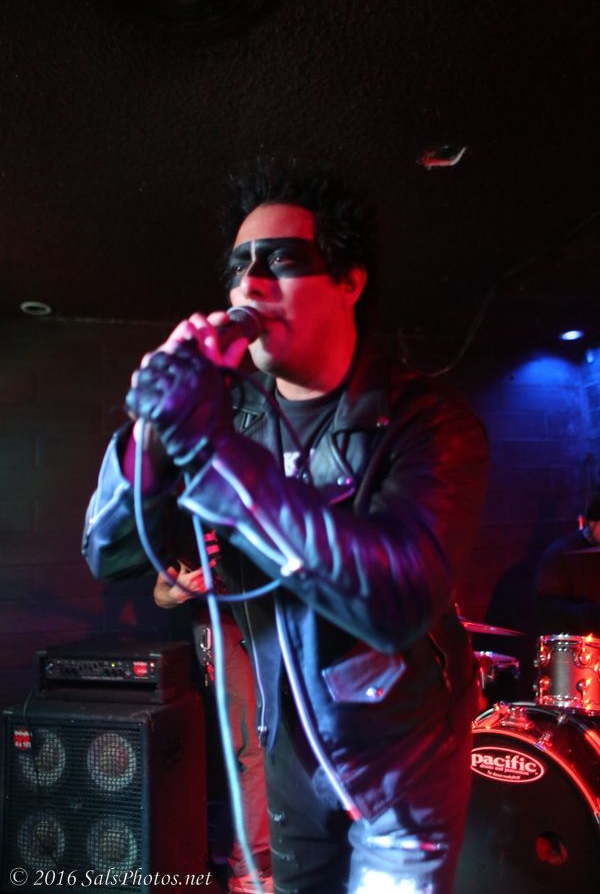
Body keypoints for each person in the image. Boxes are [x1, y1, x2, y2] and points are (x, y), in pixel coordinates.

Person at [83, 157, 489, 894]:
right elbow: (107, 553)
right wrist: (151, 436)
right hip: (292, 762)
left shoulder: (428, 422)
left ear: (349, 281)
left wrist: (211, 450)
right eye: (240, 266)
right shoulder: (230, 416)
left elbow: (397, 598)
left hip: (405, 766)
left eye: (282, 260)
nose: (252, 283)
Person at [152, 532, 272, 894]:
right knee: (251, 743)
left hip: (270, 620)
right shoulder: (192, 519)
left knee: (273, 741)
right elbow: (161, 593)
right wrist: (179, 592)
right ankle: (249, 869)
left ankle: (230, 846)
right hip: (222, 624)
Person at [535, 492, 600, 635]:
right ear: (592, 521)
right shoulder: (560, 554)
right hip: (578, 643)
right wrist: (594, 615)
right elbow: (550, 613)